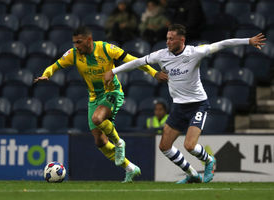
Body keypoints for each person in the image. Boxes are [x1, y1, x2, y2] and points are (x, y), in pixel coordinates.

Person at [104, 24, 266, 183]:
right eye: (167, 38)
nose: (167, 42)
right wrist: (114, 71)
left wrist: (248, 41)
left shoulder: (195, 52)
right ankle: (192, 174)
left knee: (189, 145)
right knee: (164, 146)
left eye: (171, 39)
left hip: (198, 104)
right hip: (178, 107)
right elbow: (137, 62)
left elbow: (223, 43)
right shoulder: (161, 55)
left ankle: (209, 160)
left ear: (182, 40)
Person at [34, 26, 168, 182]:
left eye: (79, 42)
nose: (76, 46)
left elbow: (133, 61)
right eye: (74, 43)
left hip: (113, 93)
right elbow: (55, 66)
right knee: (100, 141)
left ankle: (119, 142)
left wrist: (154, 72)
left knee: (98, 119)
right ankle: (130, 168)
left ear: (89, 40)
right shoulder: (74, 55)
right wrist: (46, 74)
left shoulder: (106, 49)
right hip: (94, 98)